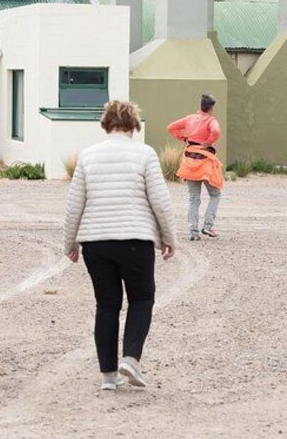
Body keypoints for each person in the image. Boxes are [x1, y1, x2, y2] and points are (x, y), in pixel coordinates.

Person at [64, 101, 177, 390]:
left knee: (107, 305)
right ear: (133, 124)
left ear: (106, 123)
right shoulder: (144, 154)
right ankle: (131, 358)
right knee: (141, 298)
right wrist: (168, 238)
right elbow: (161, 202)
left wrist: (70, 242)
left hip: (95, 242)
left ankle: (108, 376)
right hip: (134, 239)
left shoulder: (88, 156)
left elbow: (74, 203)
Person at [167, 94, 223, 241]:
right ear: (211, 108)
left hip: (190, 161)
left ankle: (193, 232)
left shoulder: (190, 119)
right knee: (215, 194)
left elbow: (171, 127)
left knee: (193, 199)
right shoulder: (211, 120)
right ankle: (208, 226)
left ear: (200, 105)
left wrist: (183, 138)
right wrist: (209, 142)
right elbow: (216, 131)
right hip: (204, 163)